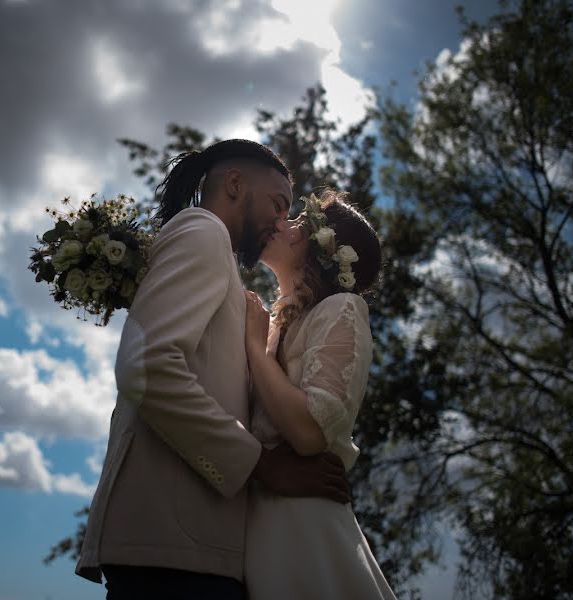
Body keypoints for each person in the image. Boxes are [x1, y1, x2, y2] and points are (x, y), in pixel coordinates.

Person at [76, 139, 350, 600]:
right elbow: (148, 368)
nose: (282, 223)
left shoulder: (214, 250)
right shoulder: (202, 231)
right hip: (175, 552)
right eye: (279, 205)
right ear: (236, 184)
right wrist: (260, 465)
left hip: (189, 549)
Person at [243, 189, 397, 599]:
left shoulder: (342, 309)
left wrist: (256, 351)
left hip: (302, 523)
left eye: (298, 224)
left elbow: (310, 430)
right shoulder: (275, 321)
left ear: (325, 251)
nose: (281, 223)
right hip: (256, 518)